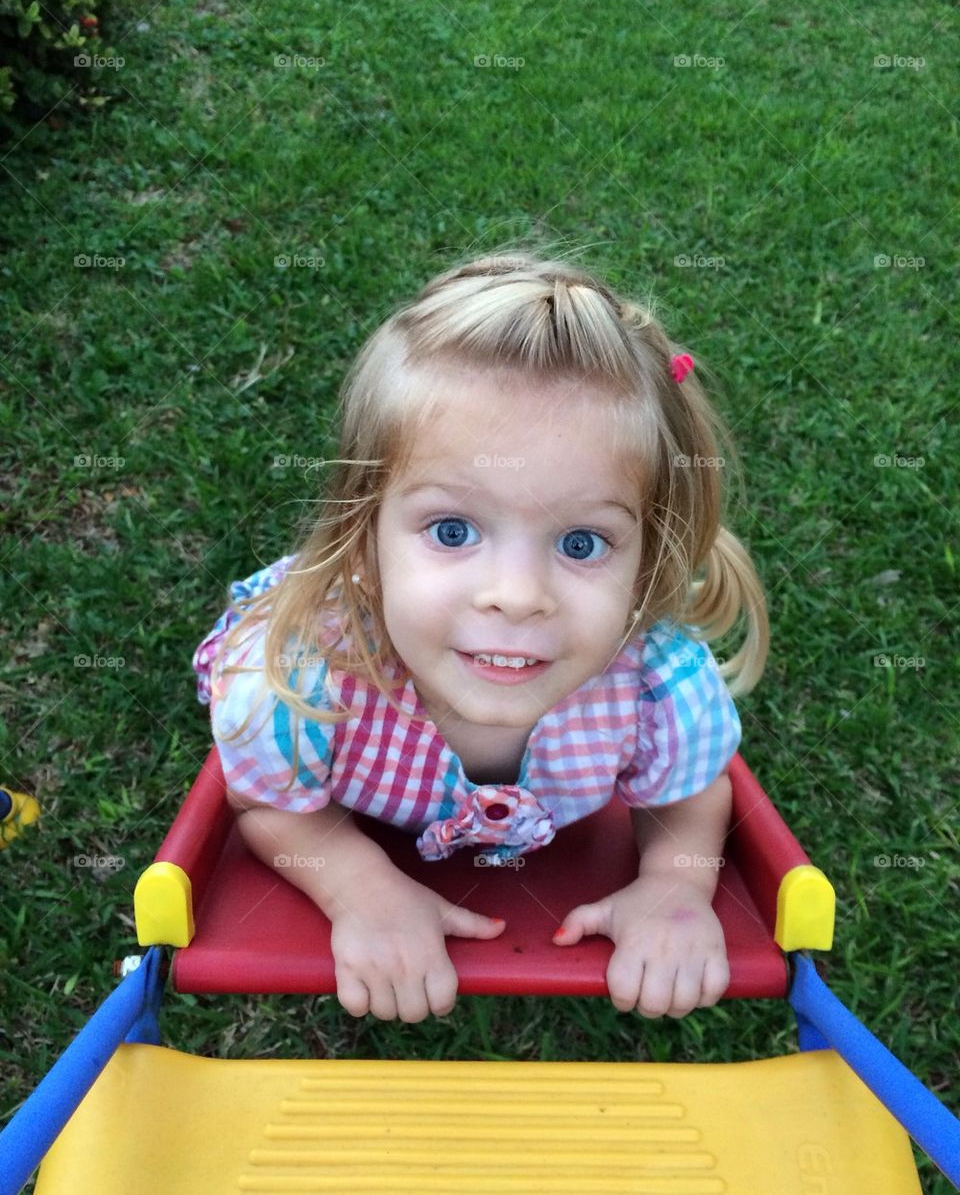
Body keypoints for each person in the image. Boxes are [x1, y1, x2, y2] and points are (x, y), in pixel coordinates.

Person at [192, 247, 769, 1025]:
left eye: (581, 543)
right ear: (365, 537)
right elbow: (268, 803)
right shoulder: (299, 684)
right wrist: (362, 888)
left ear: (646, 557)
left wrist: (674, 883)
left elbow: (693, 793)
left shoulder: (655, 688)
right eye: (453, 529)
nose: (517, 596)